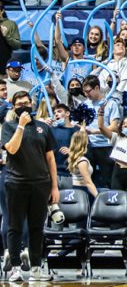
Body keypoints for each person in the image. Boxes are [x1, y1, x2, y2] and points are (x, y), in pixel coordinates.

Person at [1, 91, 58, 282]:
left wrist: (54, 187)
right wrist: (21, 126)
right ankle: (15, 268)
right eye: (19, 104)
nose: (24, 106)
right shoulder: (8, 127)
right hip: (16, 183)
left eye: (26, 102)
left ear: (32, 104)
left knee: (37, 228)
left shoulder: (43, 127)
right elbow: (12, 149)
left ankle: (35, 268)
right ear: (14, 107)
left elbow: (50, 158)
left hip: (41, 183)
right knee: (15, 226)